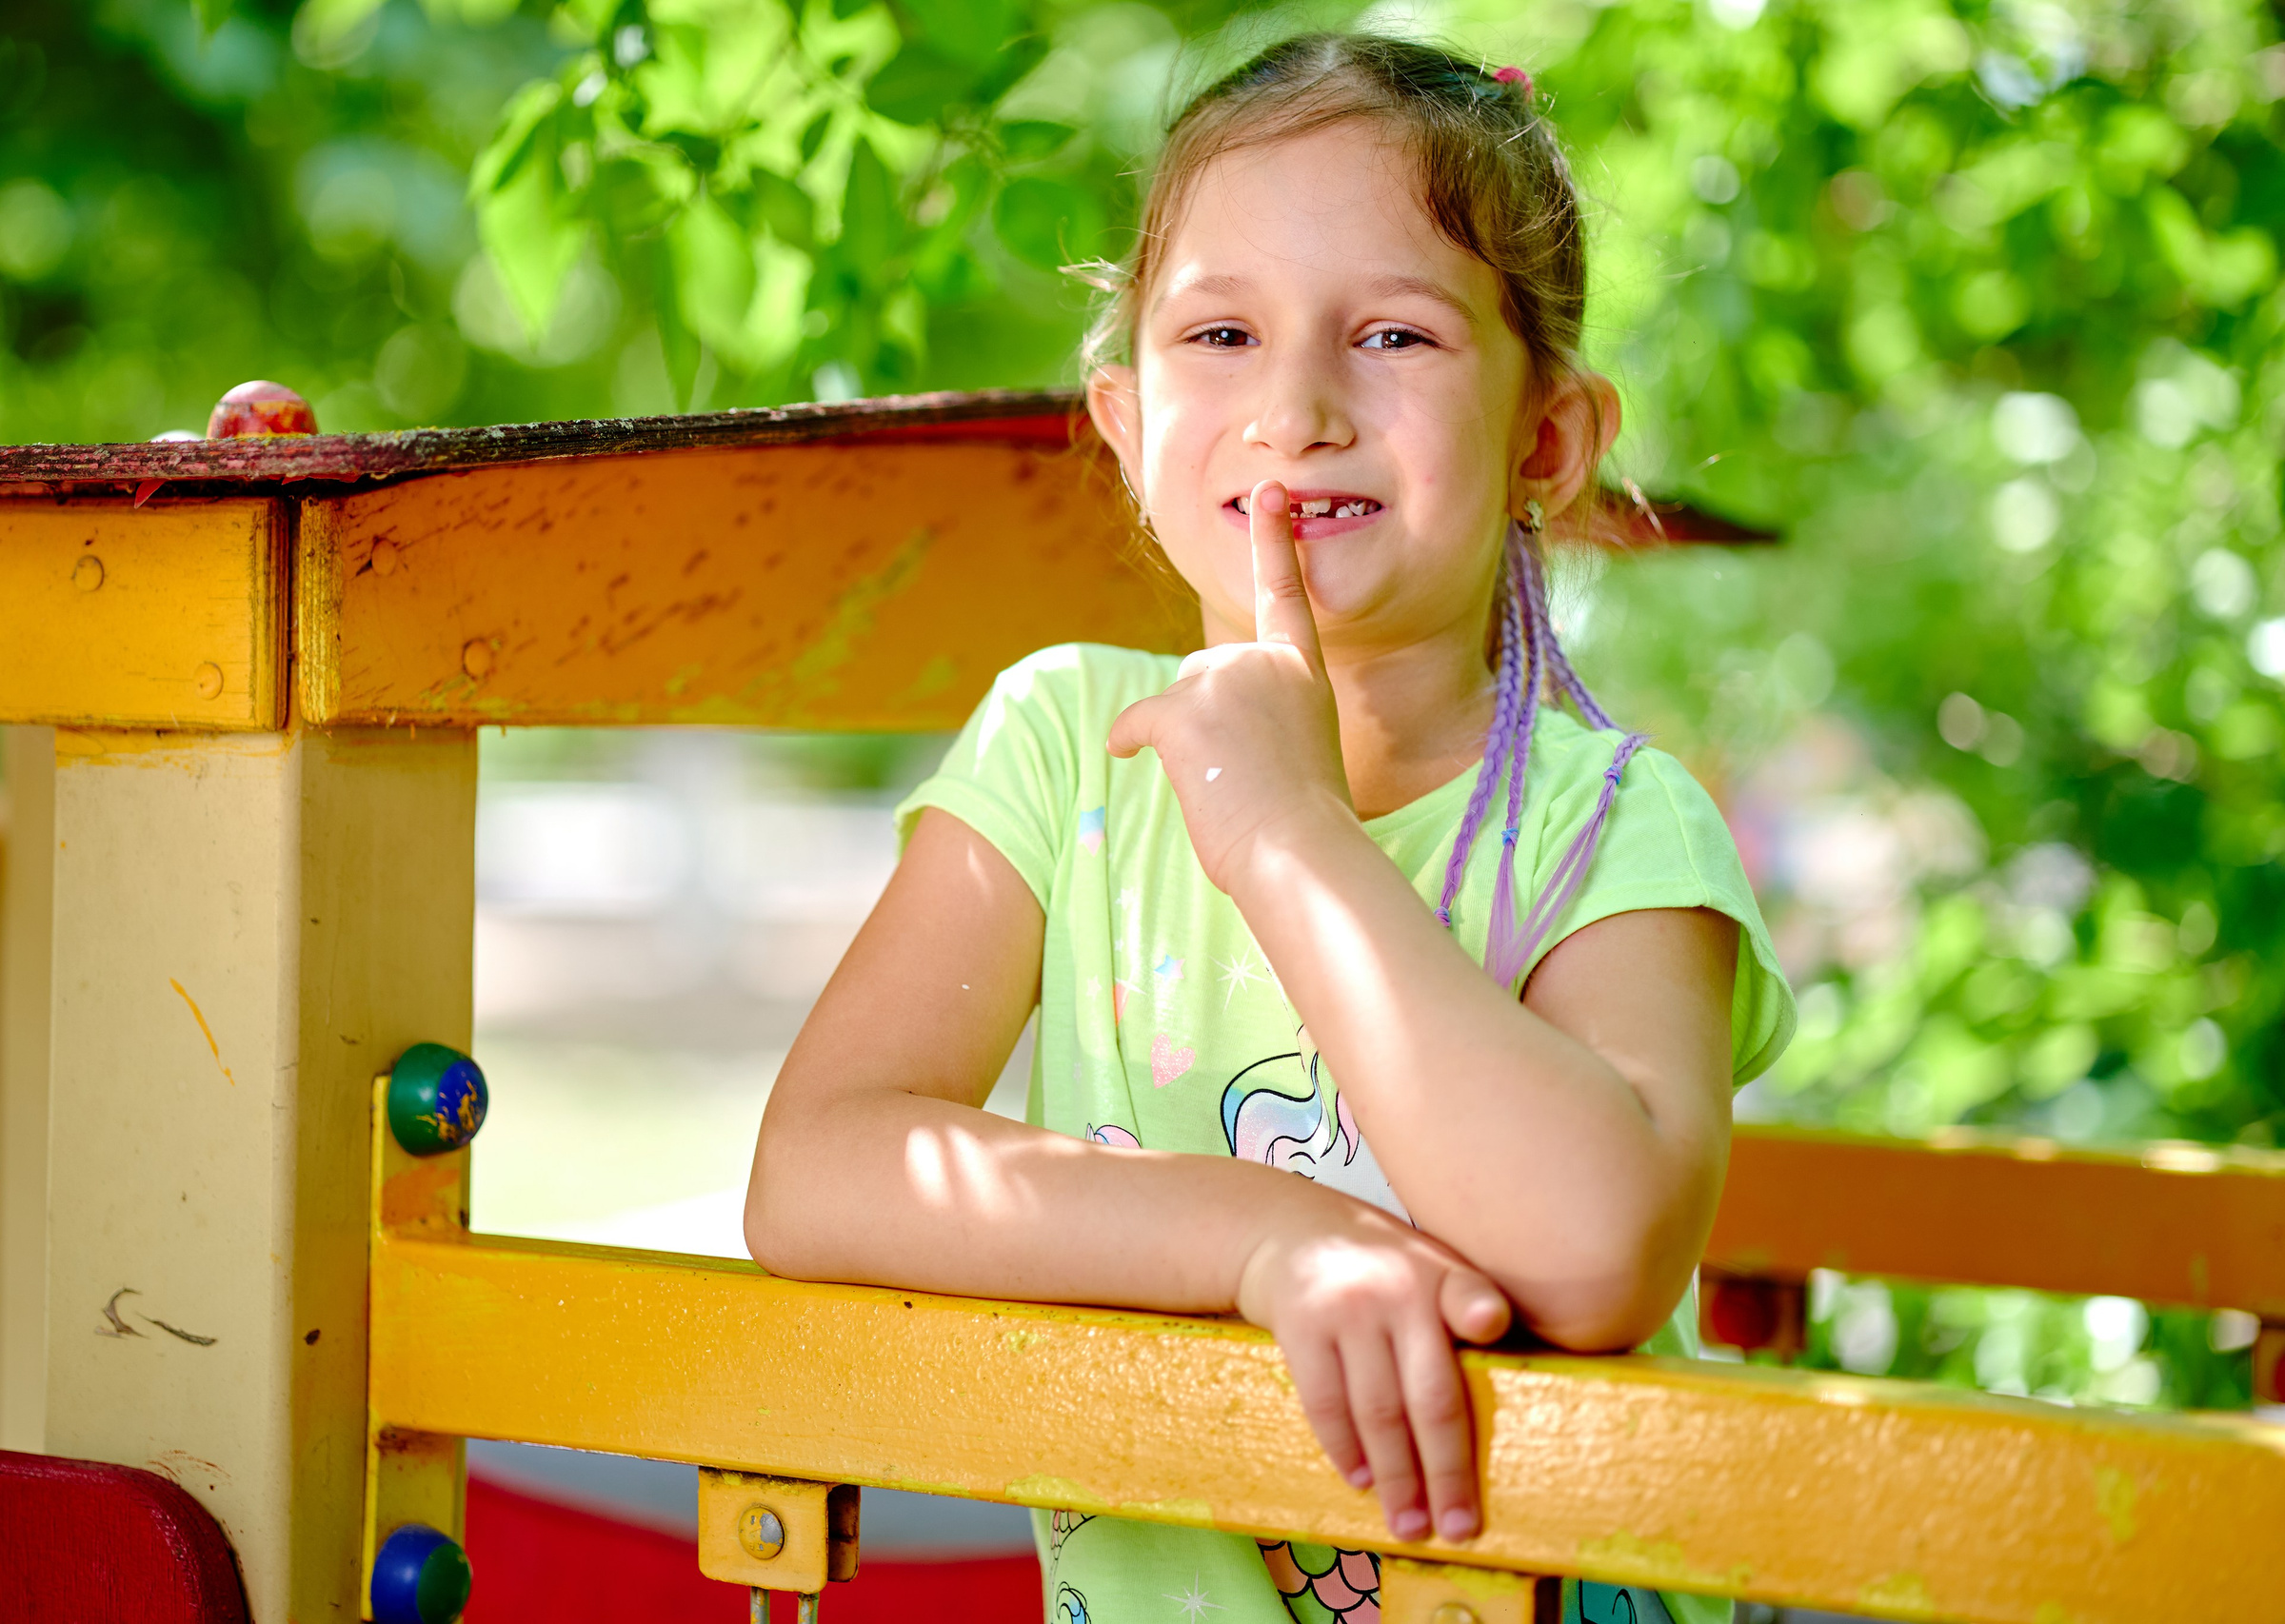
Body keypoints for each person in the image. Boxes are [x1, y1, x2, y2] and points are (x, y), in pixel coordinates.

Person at [745, 32, 1794, 1624]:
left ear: (1546, 440)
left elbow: (1599, 1247)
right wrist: (1262, 1232)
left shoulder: (1616, 825)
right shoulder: (1066, 748)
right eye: (1222, 333)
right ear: (1125, 419)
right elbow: (814, 1168)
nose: (1295, 409)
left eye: (1394, 334)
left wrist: (1288, 831)